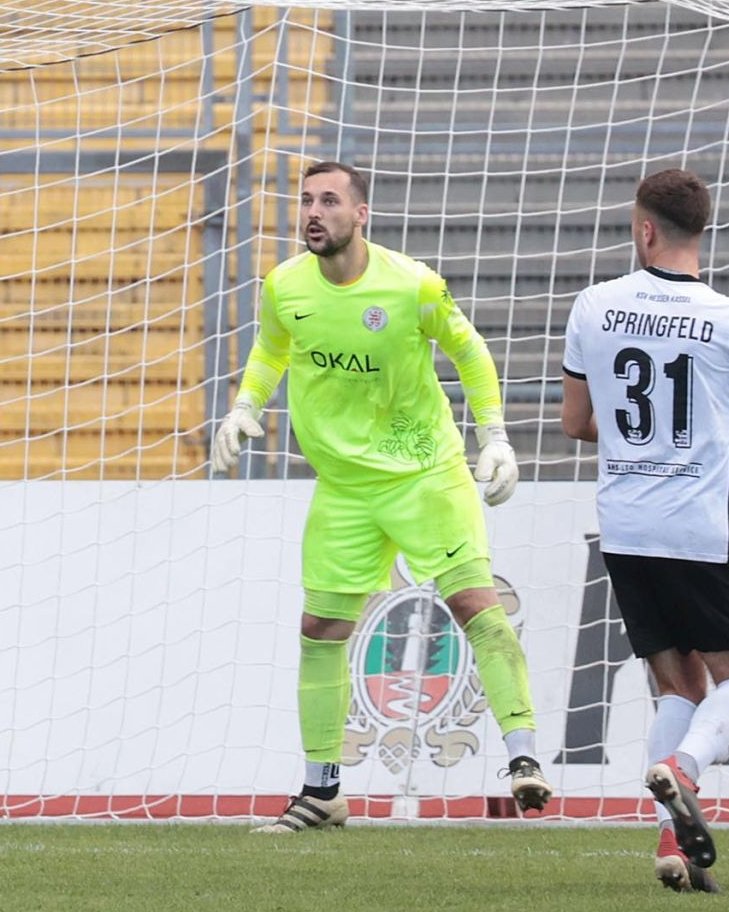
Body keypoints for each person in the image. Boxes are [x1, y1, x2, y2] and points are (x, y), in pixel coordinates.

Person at [211, 159, 550, 833]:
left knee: (476, 604)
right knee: (320, 630)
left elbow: (469, 350)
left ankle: (524, 759)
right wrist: (245, 405)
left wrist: (495, 436)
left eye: (330, 201)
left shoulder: (411, 284)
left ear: (361, 214)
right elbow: (272, 350)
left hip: (425, 475)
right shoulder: (284, 285)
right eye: (307, 200)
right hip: (345, 487)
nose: (314, 211)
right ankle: (322, 793)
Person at [561, 168, 729, 892]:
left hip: (624, 527)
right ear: (701, 230)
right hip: (698, 529)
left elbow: (577, 422)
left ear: (645, 229)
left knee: (677, 684)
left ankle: (672, 846)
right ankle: (685, 768)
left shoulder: (594, 305)